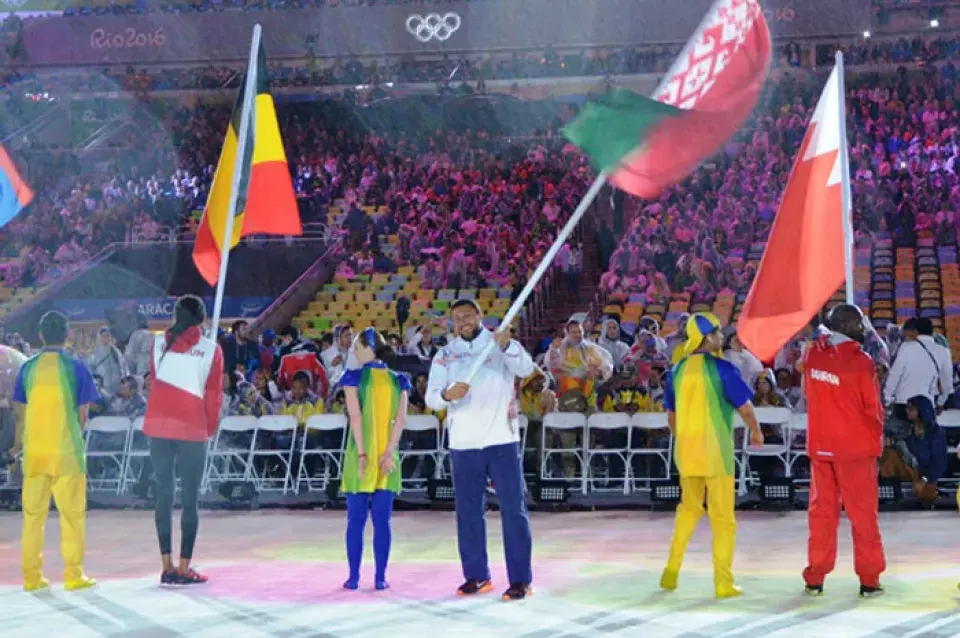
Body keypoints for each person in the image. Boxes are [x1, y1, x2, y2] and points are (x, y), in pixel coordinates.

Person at [426, 299, 536, 601]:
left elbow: (526, 368)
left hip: (501, 439)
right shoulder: (445, 355)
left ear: (480, 316)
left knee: (513, 510)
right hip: (463, 444)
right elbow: (431, 397)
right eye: (458, 317)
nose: (464, 321)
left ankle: (520, 579)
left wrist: (509, 346)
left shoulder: (498, 342)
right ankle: (477, 575)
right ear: (452, 322)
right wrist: (448, 394)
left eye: (469, 315)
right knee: (468, 512)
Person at [660, 312, 762, 599]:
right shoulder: (723, 369)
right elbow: (745, 407)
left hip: (687, 453)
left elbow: (671, 416)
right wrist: (756, 431)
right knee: (723, 519)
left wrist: (682, 438)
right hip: (717, 455)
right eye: (717, 332)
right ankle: (723, 582)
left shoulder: (676, 370)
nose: (721, 337)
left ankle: (671, 571)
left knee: (687, 512)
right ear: (707, 338)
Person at [801, 304, 885, 598]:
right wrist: (876, 438)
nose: (864, 329)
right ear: (849, 326)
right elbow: (872, 408)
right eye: (860, 324)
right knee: (863, 516)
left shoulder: (812, 355)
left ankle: (815, 578)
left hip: (821, 448)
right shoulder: (862, 362)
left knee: (822, 514)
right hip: (856, 450)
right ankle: (869, 580)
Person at [14, 310, 100, 592]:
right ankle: (74, 575)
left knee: (32, 518)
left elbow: (20, 415)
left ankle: (32, 578)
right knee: (72, 517)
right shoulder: (76, 367)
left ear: (40, 336)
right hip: (67, 453)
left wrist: (20, 446)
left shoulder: (27, 368)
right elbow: (83, 414)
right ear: (68, 335)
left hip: (35, 454)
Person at [143, 295, 224, 586]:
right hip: (191, 428)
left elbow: (154, 380)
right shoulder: (211, 350)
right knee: (190, 500)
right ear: (202, 318)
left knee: (163, 495)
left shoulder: (157, 344)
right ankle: (184, 567)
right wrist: (209, 429)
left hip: (159, 424)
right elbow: (214, 396)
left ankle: (166, 565)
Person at [340, 327, 410, 591]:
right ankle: (380, 578)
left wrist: (361, 454)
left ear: (370, 349)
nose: (354, 352)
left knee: (355, 520)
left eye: (358, 347)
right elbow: (400, 420)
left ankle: (354, 577)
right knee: (383, 521)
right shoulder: (398, 380)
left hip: (360, 454)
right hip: (387, 456)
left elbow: (355, 418)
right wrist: (390, 451)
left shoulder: (353, 378)